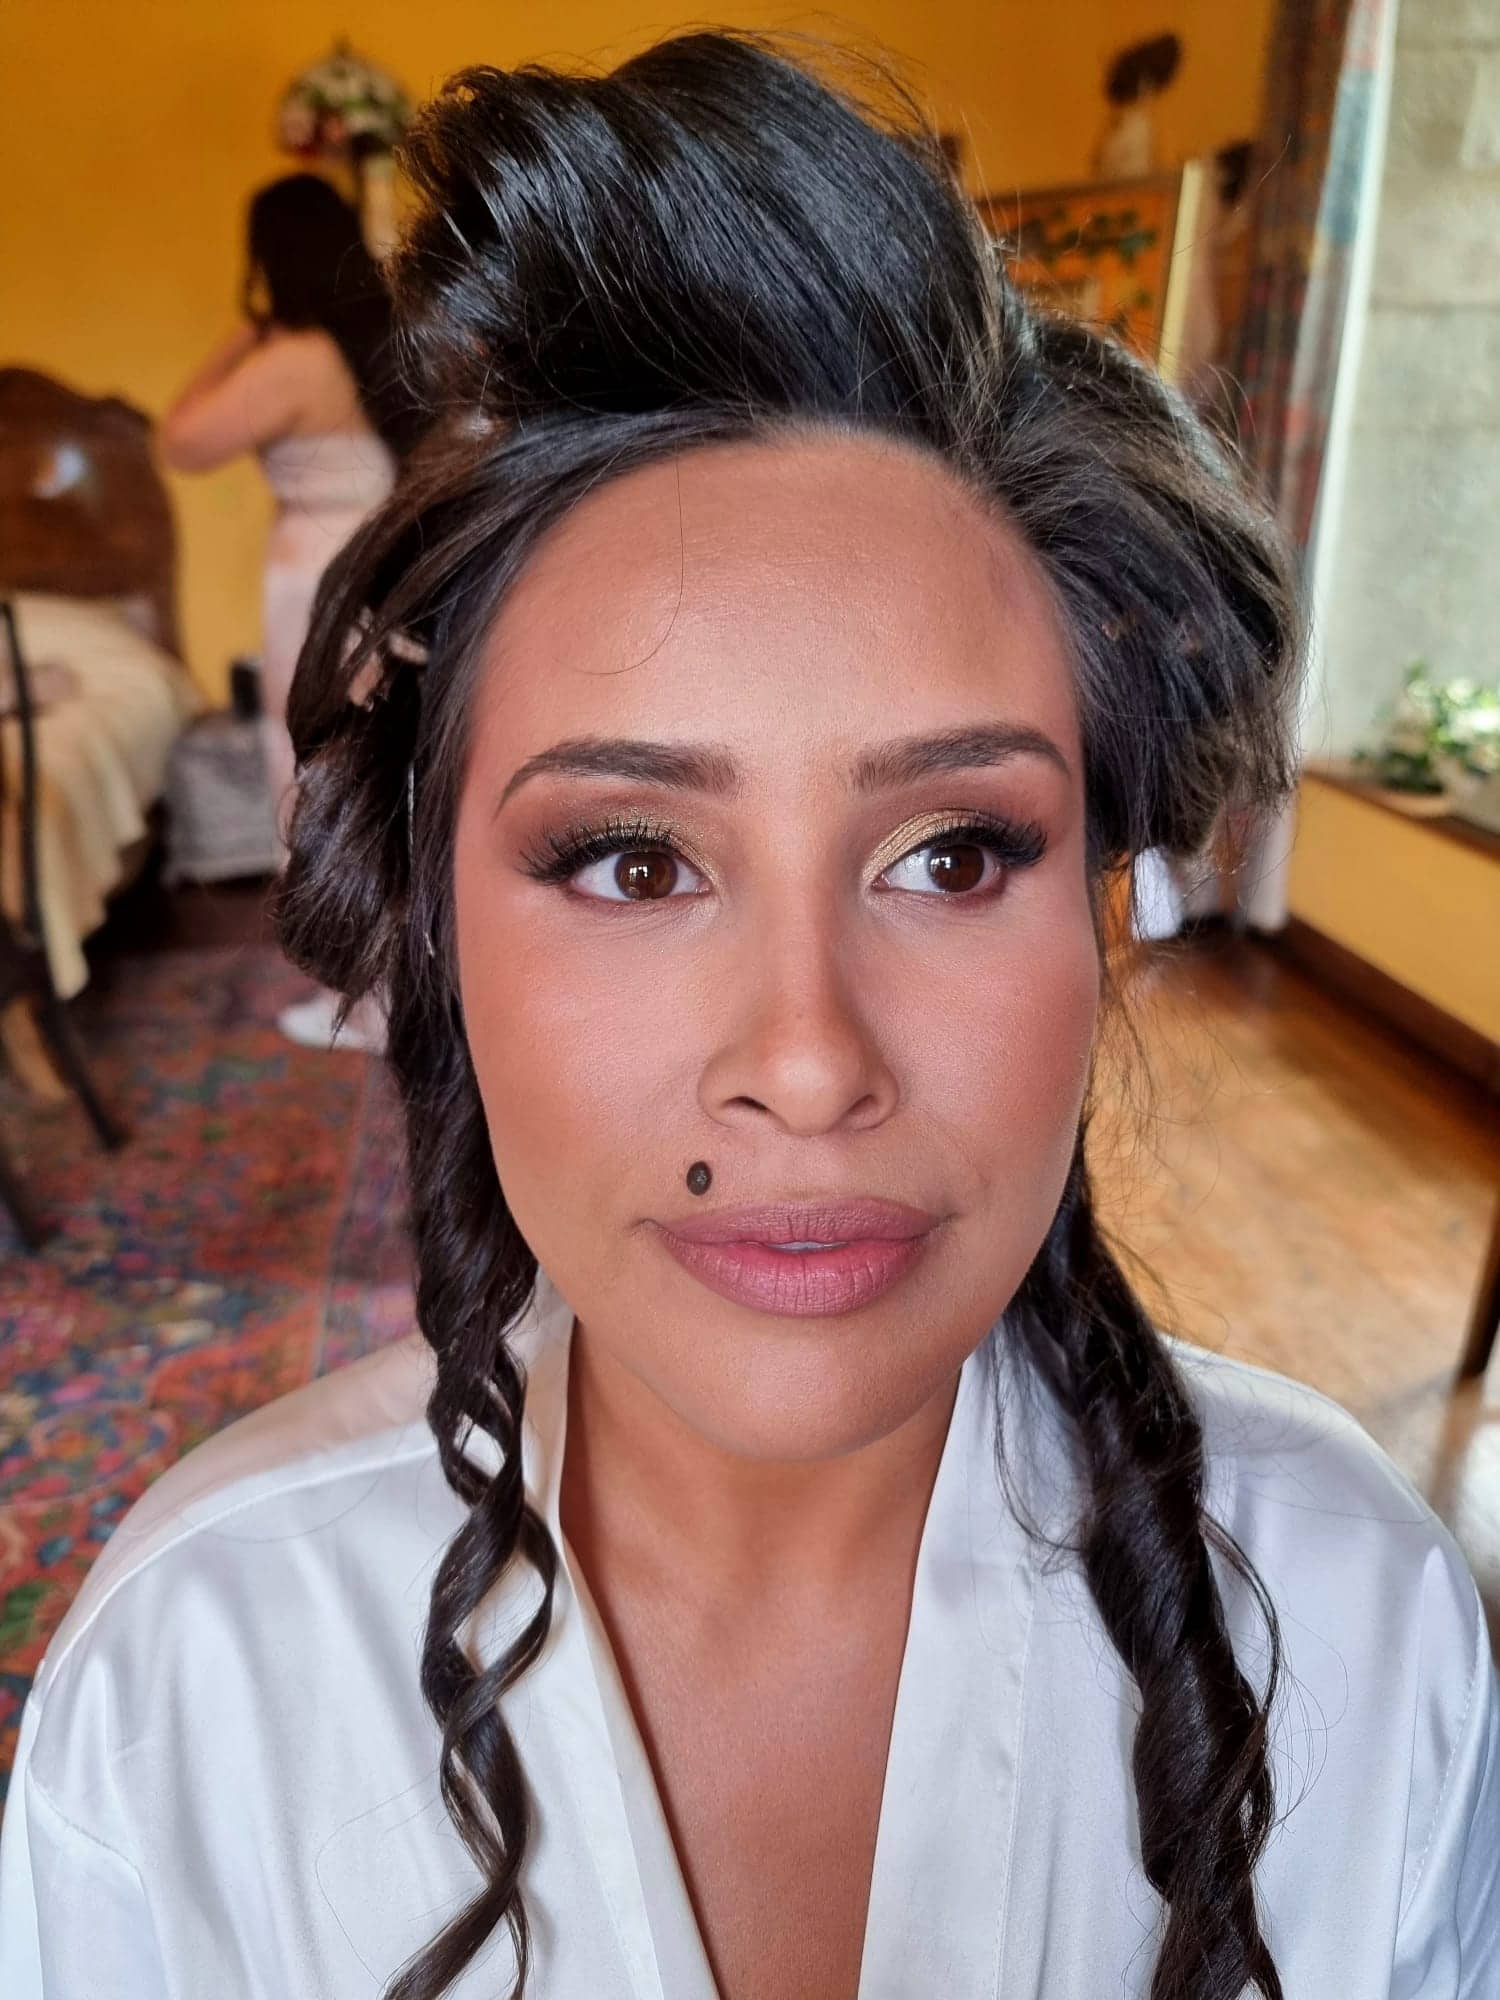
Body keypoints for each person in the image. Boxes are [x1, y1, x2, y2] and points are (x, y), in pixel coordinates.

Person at [3, 33, 1496, 2000]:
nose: (805, 1059)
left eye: (954, 852)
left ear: (1112, 907)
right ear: (433, 915)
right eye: (633, 859)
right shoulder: (194, 1684)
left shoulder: (1366, 1627)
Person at [159, 171, 413, 1052]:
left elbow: (179, 439)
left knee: (308, 774)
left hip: (315, 585)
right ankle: (403, 989)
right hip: (385, 577)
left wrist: (240, 332)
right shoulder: (389, 337)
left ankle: (368, 1003)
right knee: (380, 773)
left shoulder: (292, 360)